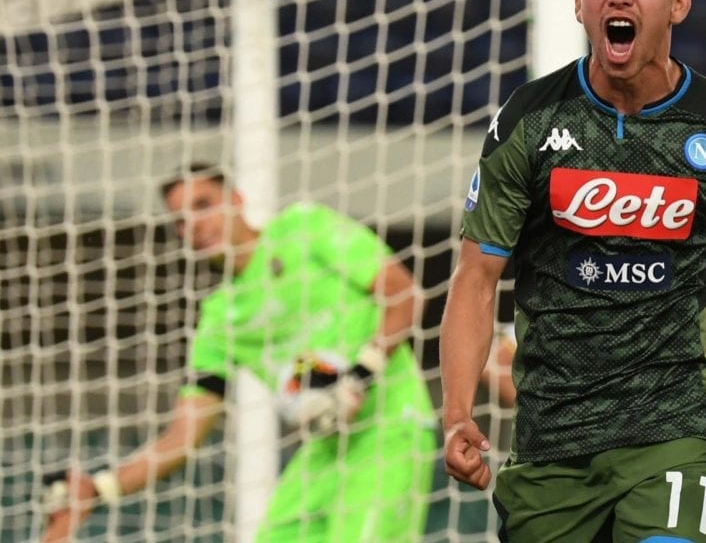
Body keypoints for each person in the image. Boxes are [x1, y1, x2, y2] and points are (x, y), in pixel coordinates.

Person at [439, 0, 706, 541]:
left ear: (678, 3)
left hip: (678, 428)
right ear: (578, 2)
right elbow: (476, 276)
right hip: (552, 442)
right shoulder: (529, 120)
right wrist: (458, 411)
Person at [43, 163, 437, 543]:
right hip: (326, 451)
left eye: (203, 205)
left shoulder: (303, 227)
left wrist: (359, 376)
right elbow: (183, 436)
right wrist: (99, 488)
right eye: (181, 221)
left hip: (388, 431)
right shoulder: (218, 322)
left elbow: (403, 293)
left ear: (236, 199)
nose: (195, 225)